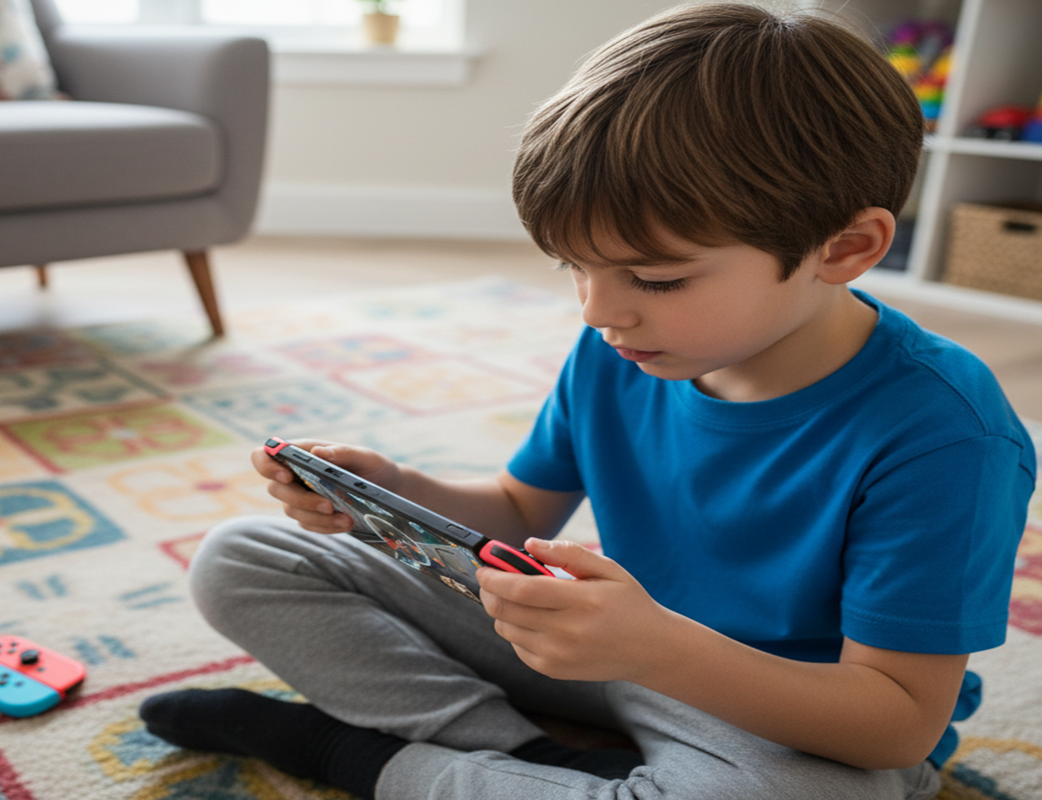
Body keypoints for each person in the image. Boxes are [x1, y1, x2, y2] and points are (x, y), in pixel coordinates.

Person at [138, 4, 1037, 799]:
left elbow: (897, 724)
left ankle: (347, 754)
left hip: (781, 711)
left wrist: (656, 649)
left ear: (843, 249)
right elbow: (519, 509)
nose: (598, 312)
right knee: (241, 555)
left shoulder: (945, 433)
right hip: (603, 645)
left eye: (656, 277)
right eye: (574, 265)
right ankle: (519, 753)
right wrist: (394, 490)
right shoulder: (627, 347)